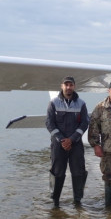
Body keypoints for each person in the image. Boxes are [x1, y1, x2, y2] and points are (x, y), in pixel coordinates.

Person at [46, 76, 88, 207]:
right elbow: (49, 123)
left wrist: (72, 139)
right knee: (57, 172)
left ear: (74, 86)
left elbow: (84, 123)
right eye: (66, 85)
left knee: (78, 172)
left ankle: (77, 201)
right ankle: (55, 202)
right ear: (62, 86)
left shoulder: (81, 103)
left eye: (71, 85)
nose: (68, 87)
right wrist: (61, 139)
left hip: (76, 144)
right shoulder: (53, 103)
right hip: (58, 145)